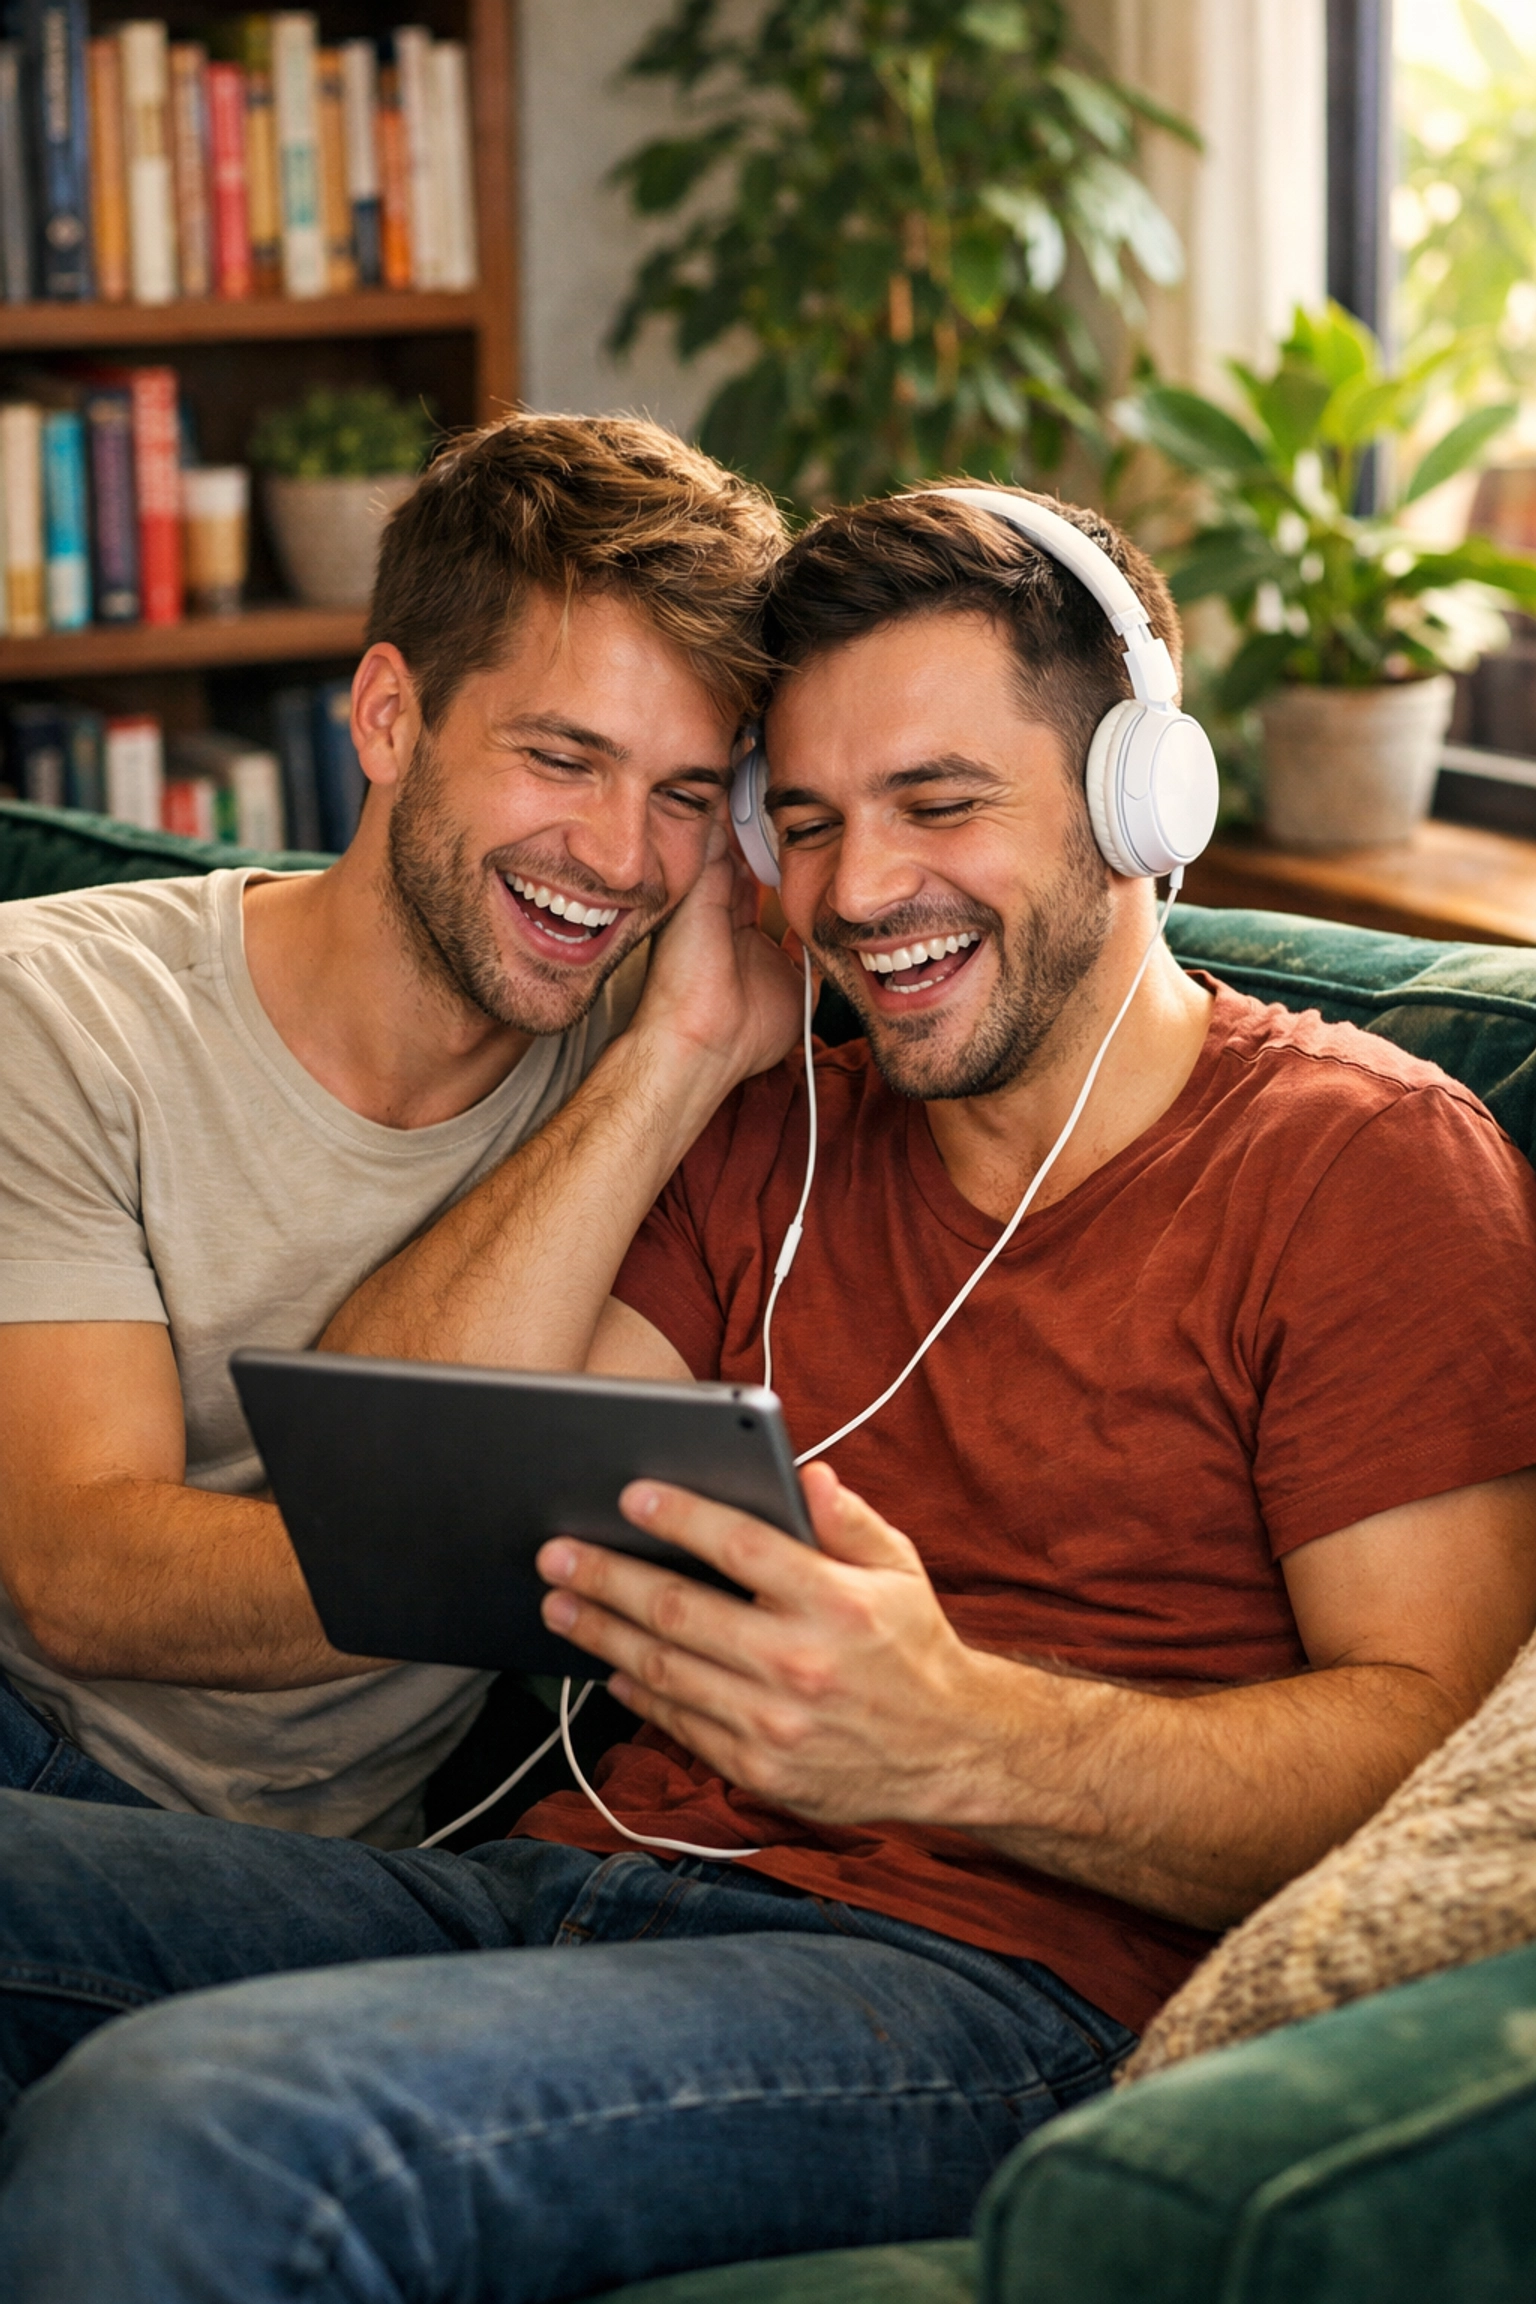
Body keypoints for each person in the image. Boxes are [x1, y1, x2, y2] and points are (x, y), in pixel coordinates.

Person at [1, 485, 1534, 2302]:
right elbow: (408, 1473)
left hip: (978, 1984)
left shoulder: (1362, 1167)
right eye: (802, 823)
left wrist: (962, 1732)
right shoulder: (781, 1132)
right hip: (563, 1888)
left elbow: (1435, 1759)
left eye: (941, 803)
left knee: (203, 2126)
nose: (863, 891)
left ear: (1143, 796)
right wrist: (677, 1050)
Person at [0, 411, 792, 1845]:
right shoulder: (54, 1015)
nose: (620, 860)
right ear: (386, 717)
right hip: (35, 1745)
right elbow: (86, 1582)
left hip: (322, 1874)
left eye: (686, 795)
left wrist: (672, 1062)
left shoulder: (671, 1064)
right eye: (562, 758)